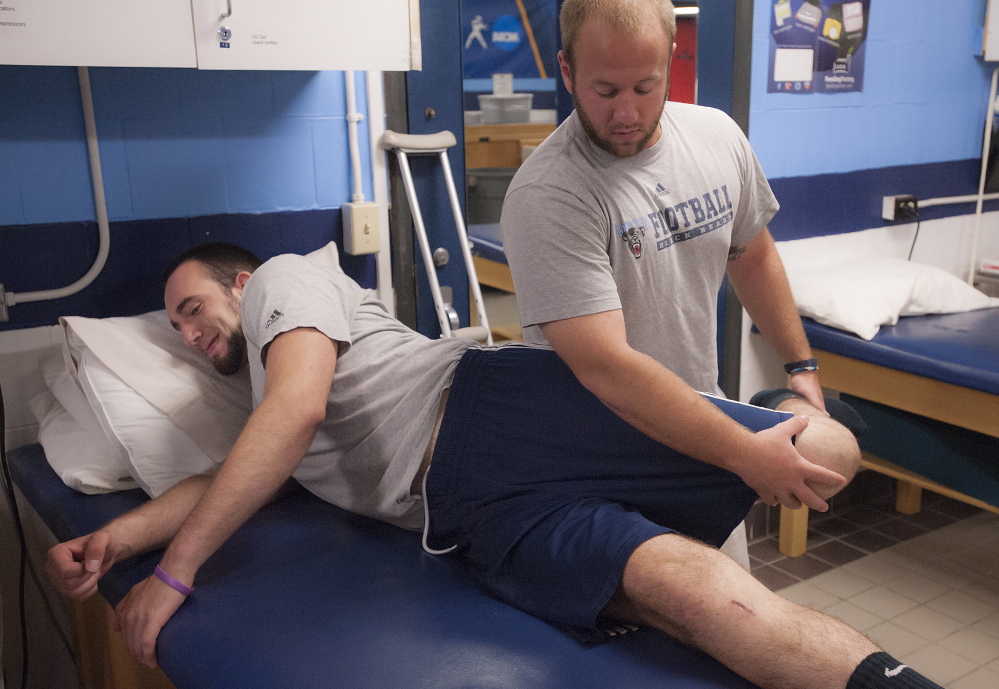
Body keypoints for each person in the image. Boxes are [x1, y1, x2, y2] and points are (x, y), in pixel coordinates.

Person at [46, 243, 942, 689]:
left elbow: (296, 411)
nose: (192, 334)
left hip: (496, 409)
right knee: (688, 592)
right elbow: (246, 462)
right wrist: (118, 534)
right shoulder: (263, 412)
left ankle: (793, 405)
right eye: (176, 330)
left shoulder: (284, 280)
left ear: (239, 284)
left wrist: (175, 570)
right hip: (469, 515)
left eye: (194, 306)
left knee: (823, 453)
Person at [501, 0, 834, 516]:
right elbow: (605, 367)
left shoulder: (717, 136)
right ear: (567, 71)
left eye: (645, 86)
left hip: (705, 434)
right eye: (605, 90)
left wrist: (800, 365)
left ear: (672, 59)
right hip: (596, 464)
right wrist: (748, 453)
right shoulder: (549, 194)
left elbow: (752, 256)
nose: (627, 113)